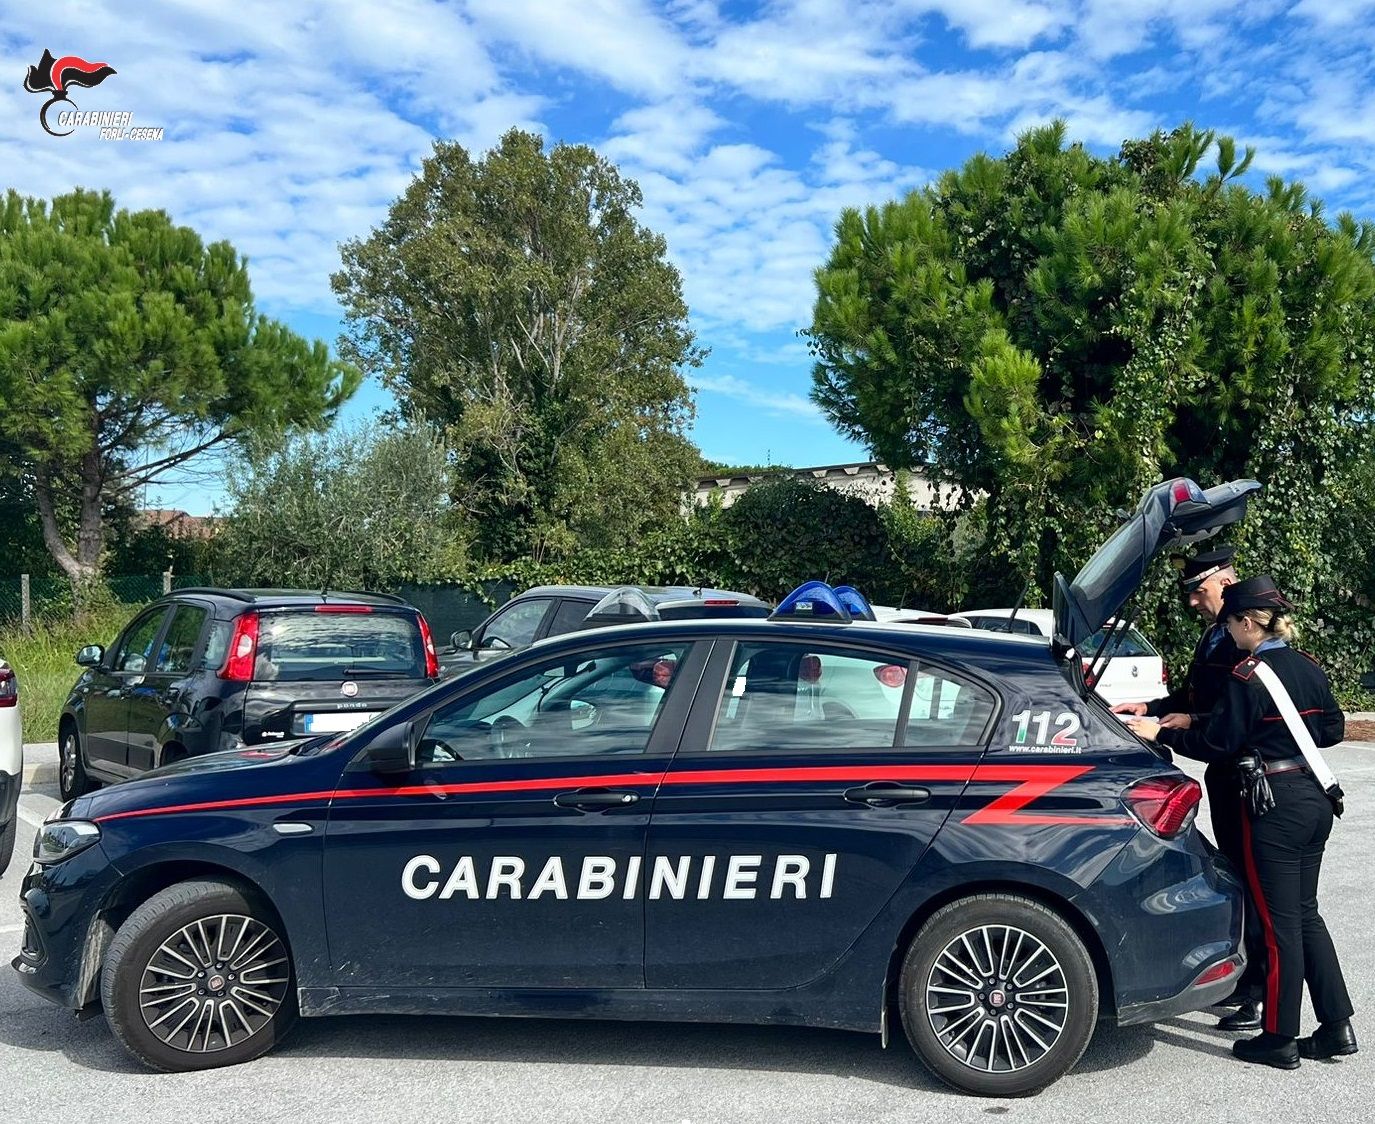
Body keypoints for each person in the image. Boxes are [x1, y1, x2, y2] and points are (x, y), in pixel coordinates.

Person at [1128, 576, 1356, 1070]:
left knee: (1277, 926)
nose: (1227, 632)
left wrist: (1158, 732)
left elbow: (1218, 745)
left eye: (1231, 623)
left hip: (1273, 805)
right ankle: (1336, 1026)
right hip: (1313, 797)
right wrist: (1270, 736)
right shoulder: (1307, 666)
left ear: (1249, 622)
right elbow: (1331, 729)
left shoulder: (1248, 675)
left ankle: (1278, 1037)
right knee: (1306, 915)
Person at [1112, 545, 1264, 1030]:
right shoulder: (1217, 635)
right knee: (1239, 872)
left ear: (1225, 583)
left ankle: (1259, 990)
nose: (1194, 601)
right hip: (1226, 775)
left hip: (1244, 775)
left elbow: (1223, 719)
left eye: (1199, 591)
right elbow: (1196, 697)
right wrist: (1152, 708)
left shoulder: (1241, 640)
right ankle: (1248, 980)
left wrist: (1165, 731)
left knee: (1256, 883)